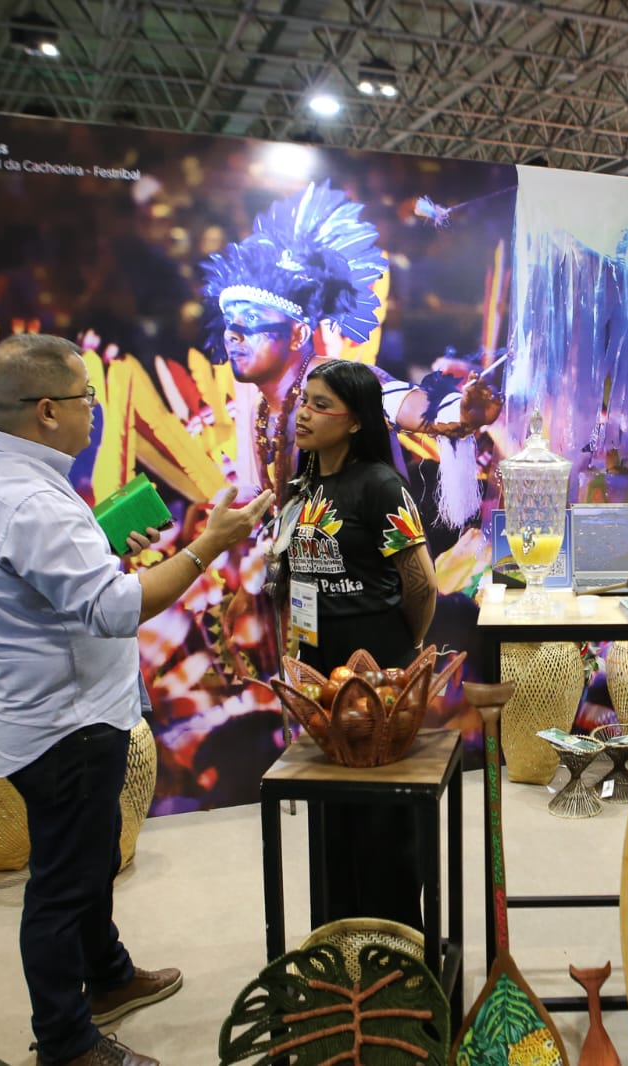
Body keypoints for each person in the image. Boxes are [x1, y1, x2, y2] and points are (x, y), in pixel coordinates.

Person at [0, 333, 275, 1066]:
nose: (94, 410)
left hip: (48, 709)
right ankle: (66, 1042)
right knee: (63, 885)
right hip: (67, 721)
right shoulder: (31, 500)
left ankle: (110, 975)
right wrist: (207, 546)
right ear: (47, 409)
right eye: (86, 397)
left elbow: (48, 582)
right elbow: (116, 608)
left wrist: (103, 546)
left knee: (86, 861)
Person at [202, 182, 503, 525]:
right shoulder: (259, 407)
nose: (233, 332)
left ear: (299, 334)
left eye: (252, 319)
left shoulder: (342, 381)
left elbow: (402, 403)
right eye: (230, 320)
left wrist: (459, 412)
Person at [267, 358, 438, 927]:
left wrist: (403, 647)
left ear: (357, 420)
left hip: (378, 675)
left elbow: (422, 583)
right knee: (332, 818)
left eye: (321, 405)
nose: (303, 414)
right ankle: (339, 941)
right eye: (303, 401)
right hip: (321, 675)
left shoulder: (381, 485)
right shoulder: (303, 486)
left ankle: (396, 943)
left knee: (384, 823)